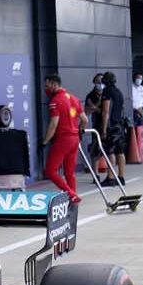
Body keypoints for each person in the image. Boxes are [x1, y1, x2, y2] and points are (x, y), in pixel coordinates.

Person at [41, 74, 83, 203]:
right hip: (75, 139)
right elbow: (85, 119)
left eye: (47, 85)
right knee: (69, 172)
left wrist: (44, 141)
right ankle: (73, 197)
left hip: (63, 139)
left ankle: (71, 194)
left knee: (50, 170)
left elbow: (53, 124)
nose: (46, 89)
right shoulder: (74, 99)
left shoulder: (55, 101)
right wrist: (79, 129)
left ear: (54, 84)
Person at [96, 71, 129, 182]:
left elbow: (106, 111)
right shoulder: (118, 92)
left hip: (111, 125)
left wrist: (104, 129)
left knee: (110, 151)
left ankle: (110, 177)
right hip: (119, 124)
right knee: (120, 151)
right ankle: (121, 176)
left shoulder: (107, 92)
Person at [128, 72, 143, 153]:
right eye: (138, 78)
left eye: (140, 78)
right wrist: (136, 109)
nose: (139, 80)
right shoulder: (131, 87)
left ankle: (141, 145)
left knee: (141, 128)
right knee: (134, 128)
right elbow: (131, 100)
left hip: (141, 111)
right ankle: (135, 146)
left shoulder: (142, 88)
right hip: (134, 111)